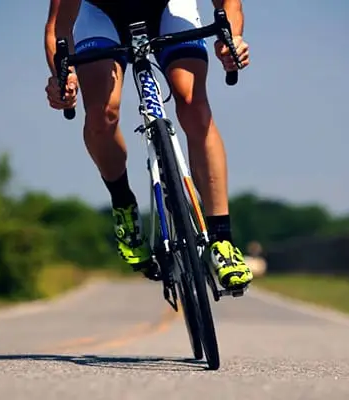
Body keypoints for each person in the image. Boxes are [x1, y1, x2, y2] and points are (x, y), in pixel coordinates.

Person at [44, 0, 253, 291]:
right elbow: (58, 28)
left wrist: (232, 39)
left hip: (171, 7)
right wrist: (62, 77)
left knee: (193, 104)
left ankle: (222, 240)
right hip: (102, 14)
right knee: (102, 114)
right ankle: (123, 205)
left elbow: (228, 3)